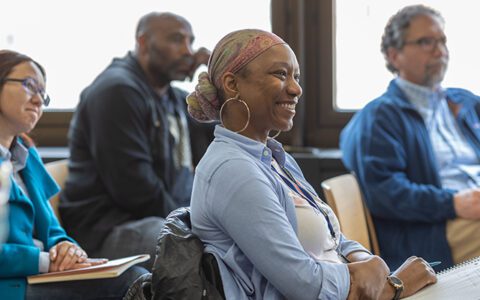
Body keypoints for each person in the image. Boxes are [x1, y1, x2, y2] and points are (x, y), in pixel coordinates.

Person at [187, 29, 436, 300]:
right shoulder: (232, 170)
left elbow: (334, 239)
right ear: (232, 84)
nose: (296, 89)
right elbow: (306, 286)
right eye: (280, 74)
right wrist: (394, 286)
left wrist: (368, 264)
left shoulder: (275, 159)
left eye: (296, 76)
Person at [59, 12, 213, 268]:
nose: (188, 51)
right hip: (108, 228)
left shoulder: (172, 97)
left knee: (234, 236)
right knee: (202, 248)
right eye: (176, 40)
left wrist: (216, 79)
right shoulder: (117, 91)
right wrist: (192, 221)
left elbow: (216, 142)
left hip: (158, 218)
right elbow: (136, 191)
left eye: (191, 42)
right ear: (143, 43)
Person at [340, 4, 480, 271]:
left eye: (442, 41)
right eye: (426, 42)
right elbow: (384, 193)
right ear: (395, 55)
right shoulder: (380, 116)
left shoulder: (464, 103)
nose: (440, 50)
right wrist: (453, 203)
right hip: (432, 235)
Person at [0, 50, 147, 300]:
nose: (38, 100)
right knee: (129, 282)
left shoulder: (27, 155)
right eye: (29, 86)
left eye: (42, 93)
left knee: (138, 275)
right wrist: (47, 261)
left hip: (37, 274)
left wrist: (67, 248)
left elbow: (52, 229)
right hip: (10, 285)